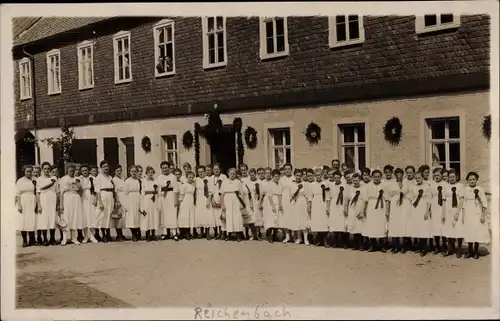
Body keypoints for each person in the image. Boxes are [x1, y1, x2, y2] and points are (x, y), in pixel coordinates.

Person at [461, 172, 489, 259]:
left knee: (477, 231)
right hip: (469, 213)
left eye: (473, 179)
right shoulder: (465, 189)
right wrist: (463, 215)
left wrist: (483, 215)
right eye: (470, 180)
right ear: (467, 181)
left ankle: (476, 251)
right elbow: (463, 203)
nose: (472, 181)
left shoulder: (480, 189)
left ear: (476, 180)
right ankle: (470, 251)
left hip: (477, 212)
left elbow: (484, 203)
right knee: (469, 231)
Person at [362, 169, 389, 252]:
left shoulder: (384, 186)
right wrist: (364, 210)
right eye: (375, 177)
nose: (377, 178)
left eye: (378, 177)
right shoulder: (368, 186)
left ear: (381, 177)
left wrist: (387, 211)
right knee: (372, 225)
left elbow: (387, 199)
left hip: (381, 207)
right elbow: (365, 200)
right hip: (371, 206)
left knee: (381, 225)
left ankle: (382, 245)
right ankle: (372, 245)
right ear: (372, 177)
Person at [59, 163, 84, 246]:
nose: (72, 172)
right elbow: (61, 193)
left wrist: (78, 185)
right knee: (66, 218)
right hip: (67, 198)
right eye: (70, 171)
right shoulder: (63, 179)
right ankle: (64, 238)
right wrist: (61, 204)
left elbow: (80, 191)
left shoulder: (78, 179)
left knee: (75, 217)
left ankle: (74, 238)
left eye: (73, 171)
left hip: (76, 198)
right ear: (66, 170)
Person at [408, 171, 432, 256]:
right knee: (418, 227)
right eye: (416, 178)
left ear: (423, 178)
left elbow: (429, 200)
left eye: (419, 178)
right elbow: (411, 199)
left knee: (424, 228)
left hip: (423, 208)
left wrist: (427, 211)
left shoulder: (427, 187)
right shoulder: (413, 187)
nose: (418, 179)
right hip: (416, 209)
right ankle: (420, 246)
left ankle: (424, 248)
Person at [442, 169, 465, 257]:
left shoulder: (460, 186)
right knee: (449, 229)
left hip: (457, 209)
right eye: (450, 177)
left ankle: (459, 248)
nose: (451, 178)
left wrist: (458, 213)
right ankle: (450, 248)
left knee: (458, 229)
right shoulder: (446, 186)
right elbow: (444, 200)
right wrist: (443, 214)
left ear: (457, 177)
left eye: (453, 177)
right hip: (448, 210)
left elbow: (462, 200)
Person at [386, 168, 409, 253]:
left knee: (402, 223)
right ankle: (395, 245)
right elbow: (389, 194)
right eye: (397, 174)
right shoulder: (392, 183)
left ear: (402, 174)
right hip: (394, 205)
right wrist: (387, 210)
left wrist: (400, 183)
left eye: (400, 174)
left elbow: (404, 191)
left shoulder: (405, 182)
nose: (398, 176)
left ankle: (402, 245)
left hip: (403, 204)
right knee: (394, 224)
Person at [36, 162, 58, 246]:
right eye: (45, 168)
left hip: (52, 199)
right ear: (42, 169)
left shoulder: (53, 178)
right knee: (43, 218)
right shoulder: (39, 179)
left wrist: (58, 203)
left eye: (48, 169)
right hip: (43, 199)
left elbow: (57, 191)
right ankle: (45, 238)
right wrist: (39, 204)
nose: (47, 170)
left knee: (52, 218)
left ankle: (52, 238)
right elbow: (38, 192)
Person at [220, 168, 245, 242]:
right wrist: (222, 205)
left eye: (234, 174)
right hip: (227, 200)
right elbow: (221, 194)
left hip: (236, 200)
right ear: (228, 174)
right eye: (231, 173)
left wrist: (241, 204)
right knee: (228, 217)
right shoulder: (224, 182)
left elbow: (241, 194)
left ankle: (238, 235)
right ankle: (229, 235)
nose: (232, 175)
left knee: (237, 218)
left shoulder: (238, 182)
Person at [16, 165, 38, 247]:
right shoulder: (20, 181)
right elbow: (17, 194)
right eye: (27, 171)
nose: (29, 173)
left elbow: (37, 191)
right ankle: (25, 240)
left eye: (30, 171)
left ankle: (32, 240)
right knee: (23, 221)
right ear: (24, 172)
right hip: (23, 201)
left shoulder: (35, 180)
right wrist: (19, 205)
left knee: (31, 220)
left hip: (32, 200)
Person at [157, 161, 180, 241]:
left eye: (166, 168)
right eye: (163, 168)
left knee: (172, 214)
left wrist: (176, 200)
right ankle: (165, 232)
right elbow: (158, 188)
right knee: (164, 214)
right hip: (163, 197)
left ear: (169, 168)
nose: (165, 169)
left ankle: (174, 233)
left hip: (171, 196)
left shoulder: (173, 177)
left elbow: (176, 189)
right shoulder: (159, 177)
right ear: (161, 169)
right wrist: (161, 193)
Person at [95, 160, 116, 243]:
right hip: (103, 196)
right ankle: (103, 234)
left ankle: (108, 234)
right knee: (102, 216)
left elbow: (113, 189)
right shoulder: (98, 178)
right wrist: (100, 203)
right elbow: (97, 191)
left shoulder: (110, 177)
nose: (106, 168)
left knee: (108, 216)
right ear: (101, 168)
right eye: (104, 167)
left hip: (110, 196)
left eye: (107, 166)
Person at [429, 168, 448, 254]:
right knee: (435, 226)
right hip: (434, 207)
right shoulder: (432, 185)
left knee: (443, 226)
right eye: (435, 175)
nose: (436, 177)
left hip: (443, 207)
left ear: (441, 175)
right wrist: (429, 209)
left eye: (438, 175)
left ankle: (444, 246)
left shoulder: (445, 184)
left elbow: (447, 197)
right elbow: (429, 198)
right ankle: (437, 246)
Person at [289, 170, 311, 245]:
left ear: (302, 176)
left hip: (302, 203)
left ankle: (306, 239)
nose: (298, 177)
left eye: (300, 175)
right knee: (297, 220)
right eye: (297, 175)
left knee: (303, 220)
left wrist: (308, 205)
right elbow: (290, 195)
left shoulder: (305, 184)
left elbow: (308, 196)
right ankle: (299, 238)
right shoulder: (291, 184)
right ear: (294, 176)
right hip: (295, 203)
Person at [346, 173, 367, 250]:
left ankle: (361, 244)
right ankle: (355, 245)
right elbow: (347, 199)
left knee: (360, 226)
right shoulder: (350, 188)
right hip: (352, 209)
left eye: (357, 180)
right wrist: (346, 208)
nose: (355, 182)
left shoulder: (363, 188)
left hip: (359, 208)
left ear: (360, 180)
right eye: (354, 180)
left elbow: (365, 200)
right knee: (353, 226)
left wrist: (363, 211)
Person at [79, 164, 99, 243]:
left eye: (86, 170)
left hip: (91, 197)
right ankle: (86, 236)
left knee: (92, 216)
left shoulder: (93, 178)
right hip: (83, 199)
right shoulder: (79, 179)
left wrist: (96, 199)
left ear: (89, 171)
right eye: (83, 171)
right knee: (84, 217)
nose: (85, 172)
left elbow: (97, 190)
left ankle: (92, 236)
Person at [309, 170, 329, 246]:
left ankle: (324, 240)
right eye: (316, 175)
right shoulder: (312, 185)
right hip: (315, 203)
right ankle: (318, 239)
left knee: (323, 221)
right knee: (317, 221)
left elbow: (327, 197)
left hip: (323, 203)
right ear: (314, 176)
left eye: (319, 175)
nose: (318, 177)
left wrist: (327, 207)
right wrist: (309, 206)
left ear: (322, 175)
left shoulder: (325, 184)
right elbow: (310, 197)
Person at [140, 166, 160, 242]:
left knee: (154, 216)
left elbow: (158, 190)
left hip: (154, 200)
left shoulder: (155, 181)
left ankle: (153, 234)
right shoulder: (144, 181)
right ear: (146, 173)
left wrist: (155, 193)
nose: (151, 174)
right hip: (147, 200)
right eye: (149, 172)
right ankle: (147, 234)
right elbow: (143, 191)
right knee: (147, 217)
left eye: (152, 172)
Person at [195, 166, 214, 239]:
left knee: (207, 215)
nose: (200, 173)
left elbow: (211, 191)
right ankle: (201, 232)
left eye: (202, 172)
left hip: (206, 198)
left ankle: (207, 233)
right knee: (200, 215)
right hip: (199, 199)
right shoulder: (196, 180)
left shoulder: (209, 179)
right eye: (199, 172)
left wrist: (208, 200)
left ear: (205, 172)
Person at [124, 165, 142, 241]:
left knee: (138, 216)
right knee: (132, 217)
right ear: (129, 172)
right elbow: (125, 193)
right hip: (130, 200)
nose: (134, 173)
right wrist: (126, 204)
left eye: (135, 171)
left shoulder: (139, 180)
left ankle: (138, 232)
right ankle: (133, 234)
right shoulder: (127, 181)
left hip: (138, 198)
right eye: (132, 171)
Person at [178, 170, 196, 239]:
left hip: (190, 203)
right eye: (189, 177)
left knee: (189, 216)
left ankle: (188, 232)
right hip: (184, 202)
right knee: (184, 216)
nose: (191, 179)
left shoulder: (193, 186)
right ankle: (183, 233)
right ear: (187, 178)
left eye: (192, 177)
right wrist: (180, 204)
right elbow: (181, 195)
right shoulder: (184, 185)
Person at [279, 163, 295, 243]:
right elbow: (280, 192)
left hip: (292, 199)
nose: (287, 170)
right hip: (284, 199)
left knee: (292, 217)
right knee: (285, 217)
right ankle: (287, 235)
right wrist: (280, 203)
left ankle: (294, 235)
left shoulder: (294, 178)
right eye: (286, 169)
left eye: (289, 169)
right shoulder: (282, 179)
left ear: (291, 169)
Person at [111, 165, 127, 242]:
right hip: (118, 198)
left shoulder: (122, 179)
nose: (119, 172)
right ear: (115, 171)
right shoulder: (114, 180)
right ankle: (118, 235)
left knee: (123, 217)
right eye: (117, 171)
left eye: (120, 170)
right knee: (118, 217)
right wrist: (117, 200)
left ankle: (122, 234)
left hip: (124, 198)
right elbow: (115, 191)